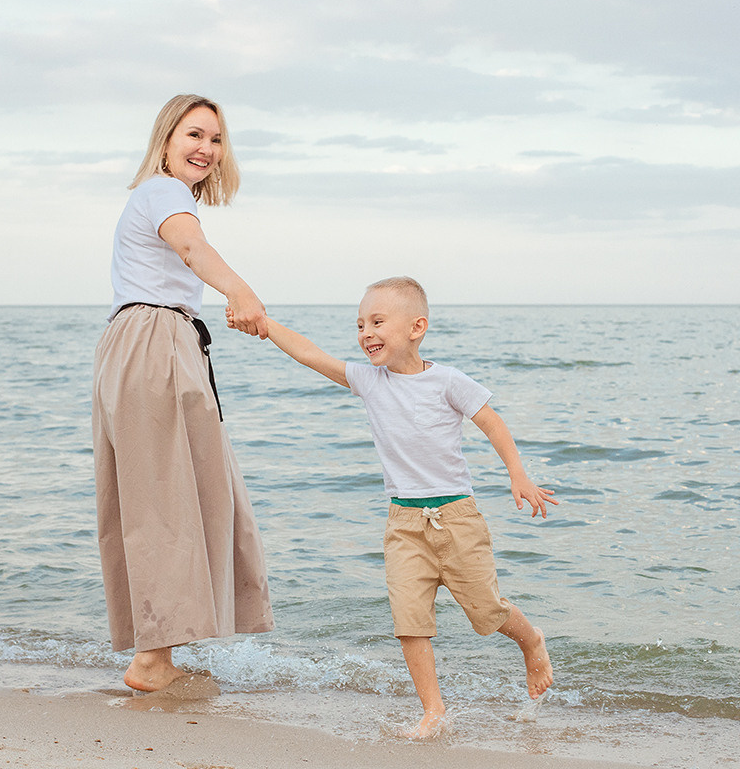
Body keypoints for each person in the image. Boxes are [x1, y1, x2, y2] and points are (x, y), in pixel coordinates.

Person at [235, 276, 555, 737]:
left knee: (486, 612)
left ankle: (532, 642)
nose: (365, 332)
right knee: (410, 622)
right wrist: (264, 323)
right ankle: (433, 711)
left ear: (416, 327)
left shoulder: (448, 381)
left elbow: (492, 422)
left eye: (378, 321)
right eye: (360, 323)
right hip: (404, 522)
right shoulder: (368, 380)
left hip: (457, 517)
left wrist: (518, 474)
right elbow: (309, 354)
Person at [92, 94, 274, 695]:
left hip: (154, 343)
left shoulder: (161, 197)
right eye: (194, 135)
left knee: (175, 495)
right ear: (166, 140)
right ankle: (151, 660)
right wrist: (241, 292)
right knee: (164, 501)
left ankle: (158, 652)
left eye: (216, 140)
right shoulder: (163, 192)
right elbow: (193, 250)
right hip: (154, 342)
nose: (206, 149)